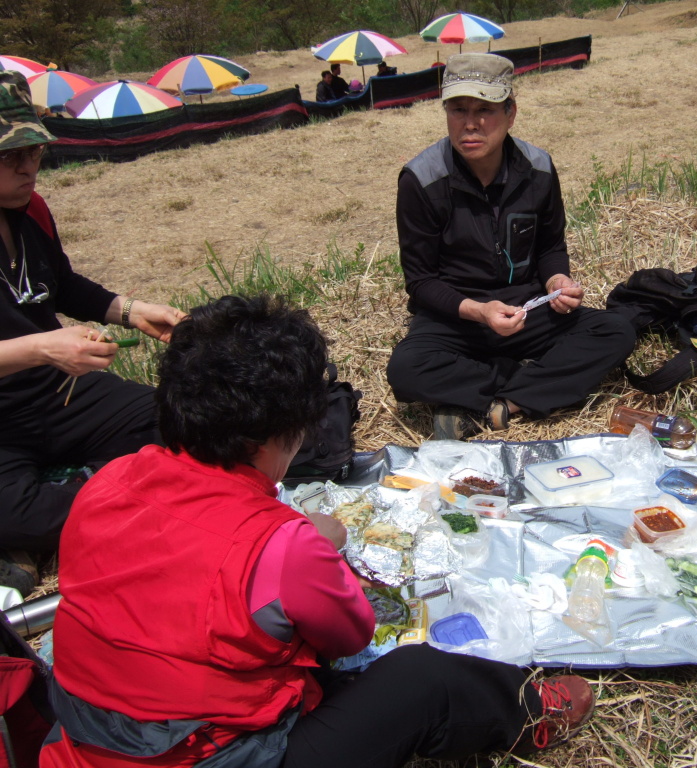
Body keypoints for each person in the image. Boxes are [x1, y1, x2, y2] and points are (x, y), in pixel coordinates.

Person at [41, 293, 596, 768]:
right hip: (209, 752)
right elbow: (349, 636)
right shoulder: (287, 549)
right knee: (422, 680)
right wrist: (312, 544)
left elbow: (185, 555)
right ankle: (528, 711)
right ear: (283, 434)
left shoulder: (110, 483)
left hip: (80, 742)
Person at [386, 53, 636, 441]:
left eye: (485, 109)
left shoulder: (538, 168)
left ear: (510, 113)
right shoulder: (421, 180)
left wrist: (556, 281)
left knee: (616, 331)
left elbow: (551, 246)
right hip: (456, 318)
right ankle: (526, 378)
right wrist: (480, 311)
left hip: (526, 311)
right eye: (458, 109)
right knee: (406, 369)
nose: (470, 123)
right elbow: (420, 282)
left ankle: (502, 405)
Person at [0, 70, 184, 596]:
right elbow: (42, 336)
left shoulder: (29, 211)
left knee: (182, 422)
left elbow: (60, 285)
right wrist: (42, 346)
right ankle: (118, 492)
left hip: (56, 390)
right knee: (13, 510)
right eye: (10, 156)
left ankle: (84, 498)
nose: (28, 167)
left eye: (33, 151)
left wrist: (130, 311)